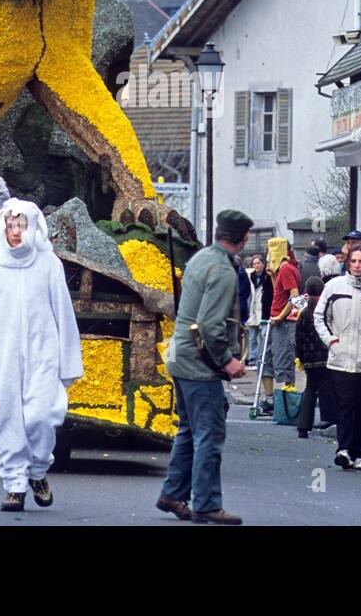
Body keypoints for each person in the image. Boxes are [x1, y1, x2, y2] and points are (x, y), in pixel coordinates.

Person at [0, 199, 82, 512]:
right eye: (10, 225)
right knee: (5, 418)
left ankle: (37, 471)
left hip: (43, 351)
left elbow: (63, 312)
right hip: (1, 354)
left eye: (21, 225)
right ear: (2, 227)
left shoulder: (48, 264)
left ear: (33, 227)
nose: (16, 232)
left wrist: (67, 360)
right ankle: (14, 485)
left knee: (42, 417)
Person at [157, 209, 251, 524]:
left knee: (189, 430)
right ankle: (207, 504)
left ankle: (173, 494)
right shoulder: (223, 271)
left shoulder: (200, 258)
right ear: (244, 238)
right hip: (199, 365)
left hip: (180, 356)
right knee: (209, 434)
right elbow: (211, 326)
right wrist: (228, 361)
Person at [314, 242, 361, 471]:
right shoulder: (334, 287)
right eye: (354, 261)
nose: (358, 266)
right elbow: (320, 317)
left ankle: (359, 452)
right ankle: (344, 449)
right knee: (345, 404)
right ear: (348, 263)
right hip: (340, 357)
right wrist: (331, 341)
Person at [261, 239, 301, 413]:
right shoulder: (282, 271)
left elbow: (295, 297)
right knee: (266, 357)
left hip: (283, 322)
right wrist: (272, 276)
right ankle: (270, 399)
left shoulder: (287, 269)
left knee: (284, 359)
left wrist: (280, 315)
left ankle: (288, 401)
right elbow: (279, 292)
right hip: (276, 319)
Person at [294, 277, 335, 439]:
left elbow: (299, 338)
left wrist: (300, 357)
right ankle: (328, 417)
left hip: (309, 357)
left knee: (310, 389)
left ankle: (303, 426)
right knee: (327, 387)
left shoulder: (304, 312)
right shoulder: (325, 310)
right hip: (325, 355)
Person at [245, 254, 270, 367]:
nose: (256, 265)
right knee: (252, 337)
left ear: (263, 264)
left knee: (262, 336)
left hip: (263, 310)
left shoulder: (268, 277)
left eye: (258, 263)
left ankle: (261, 357)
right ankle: (252, 357)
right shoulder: (250, 277)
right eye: (254, 264)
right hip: (252, 310)